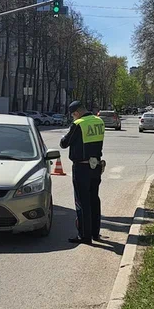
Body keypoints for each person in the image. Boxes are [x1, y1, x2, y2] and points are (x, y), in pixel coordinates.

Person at [60, 100, 105, 245]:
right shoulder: (99, 121)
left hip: (81, 167)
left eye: (73, 115)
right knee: (94, 199)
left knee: (82, 201)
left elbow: (64, 143)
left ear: (76, 113)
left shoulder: (78, 124)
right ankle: (95, 233)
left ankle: (84, 236)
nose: (74, 118)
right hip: (96, 166)